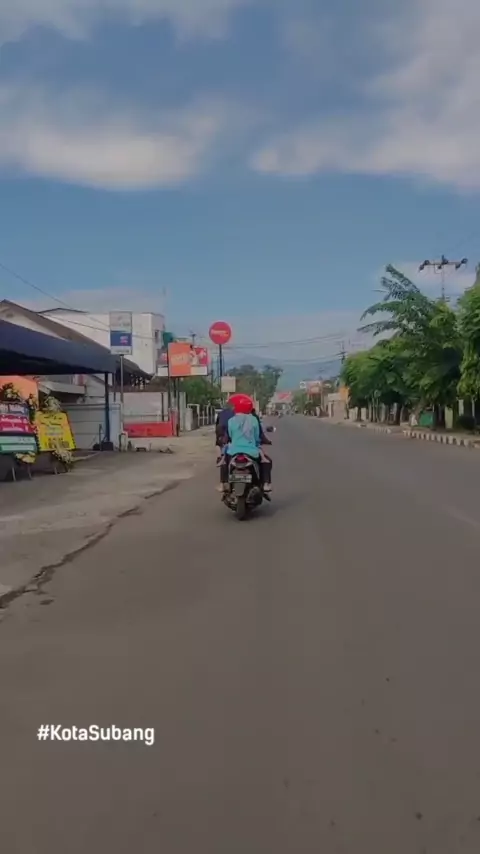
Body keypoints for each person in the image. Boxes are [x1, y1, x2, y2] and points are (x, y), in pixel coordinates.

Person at [219, 396, 272, 493]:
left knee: (224, 461)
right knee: (266, 461)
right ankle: (265, 484)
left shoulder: (231, 421)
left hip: (233, 451)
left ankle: (223, 484)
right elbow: (257, 437)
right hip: (251, 452)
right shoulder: (253, 420)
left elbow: (230, 435)